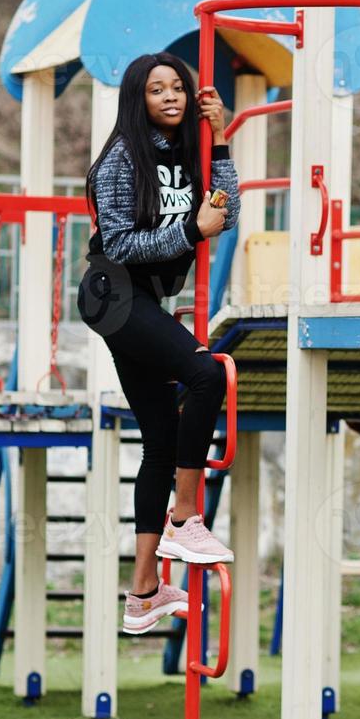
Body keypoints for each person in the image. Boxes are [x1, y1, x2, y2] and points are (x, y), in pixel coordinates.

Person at [77, 52, 239, 636]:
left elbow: (226, 214)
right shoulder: (121, 158)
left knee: (160, 440)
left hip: (146, 300)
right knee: (207, 374)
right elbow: (118, 245)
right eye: (155, 90)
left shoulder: (192, 151)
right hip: (114, 292)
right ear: (137, 99)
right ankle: (186, 517)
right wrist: (187, 231)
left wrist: (219, 141)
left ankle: (143, 590)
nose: (169, 97)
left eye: (177, 87)